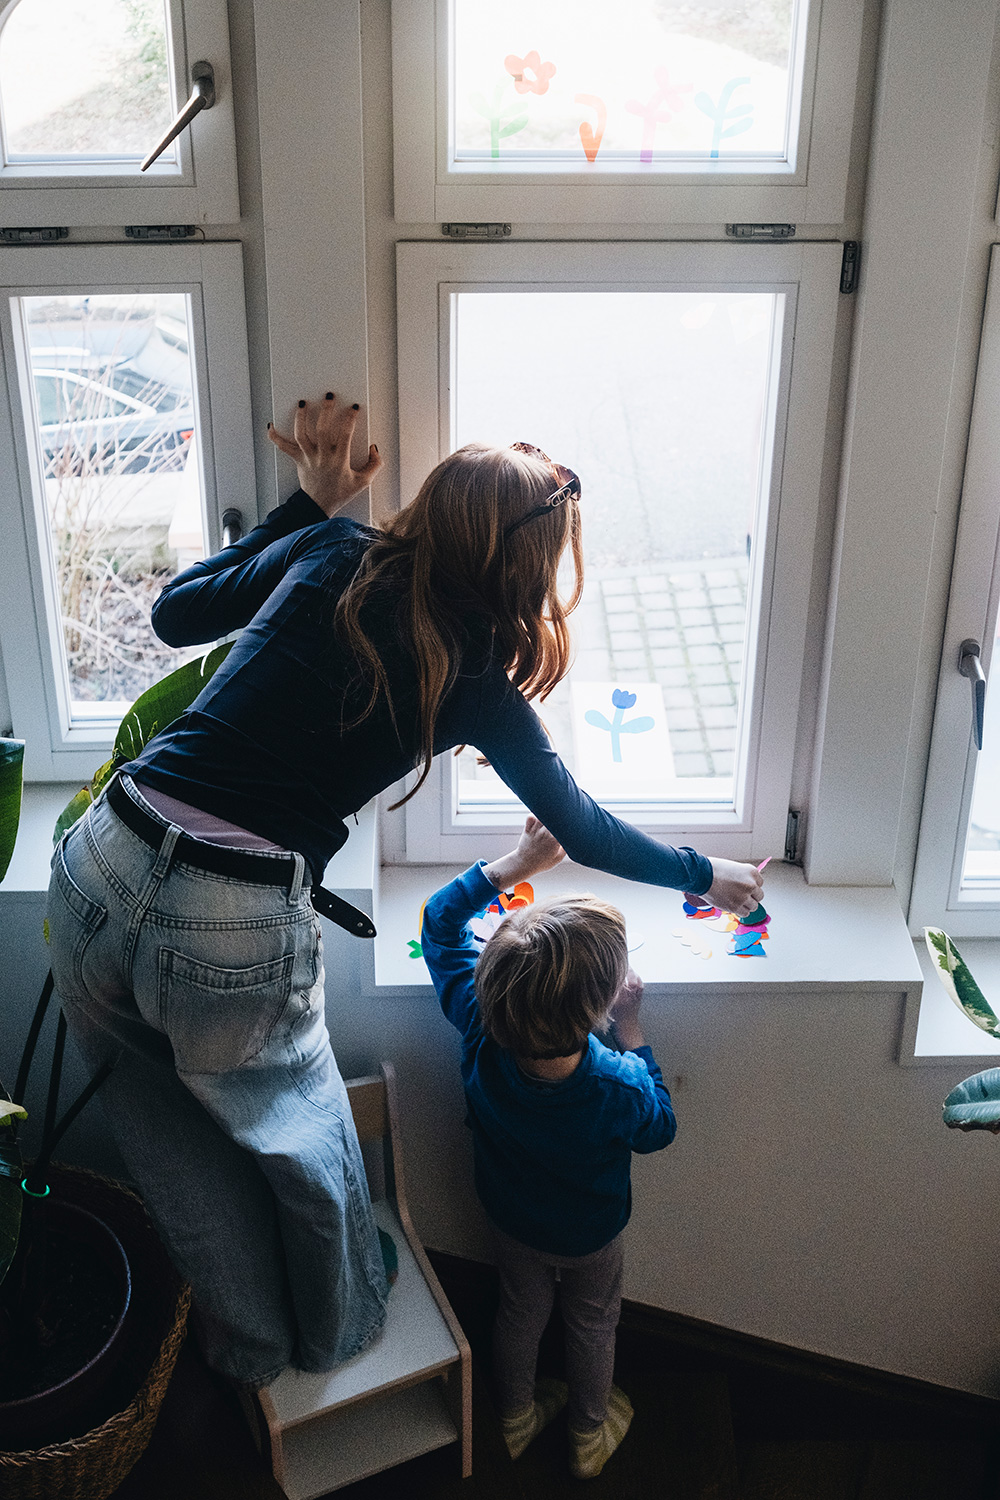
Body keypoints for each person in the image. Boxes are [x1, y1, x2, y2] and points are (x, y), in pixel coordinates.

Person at [46, 393, 761, 1391]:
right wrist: (708, 875)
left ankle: (249, 1346)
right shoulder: (473, 678)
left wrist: (307, 506)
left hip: (98, 860)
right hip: (226, 915)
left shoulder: (335, 554)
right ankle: (323, 1343)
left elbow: (173, 614)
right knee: (304, 1149)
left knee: (167, 1142)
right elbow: (583, 827)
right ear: (525, 568)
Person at [420, 815, 675, 1480]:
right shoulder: (616, 1085)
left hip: (510, 1219)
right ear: (595, 1011)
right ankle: (589, 1435)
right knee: (593, 1322)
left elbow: (440, 925)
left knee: (518, 1311)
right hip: (592, 1235)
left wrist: (519, 861)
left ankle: (514, 1416)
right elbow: (659, 1130)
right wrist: (635, 1031)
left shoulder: (479, 1026)